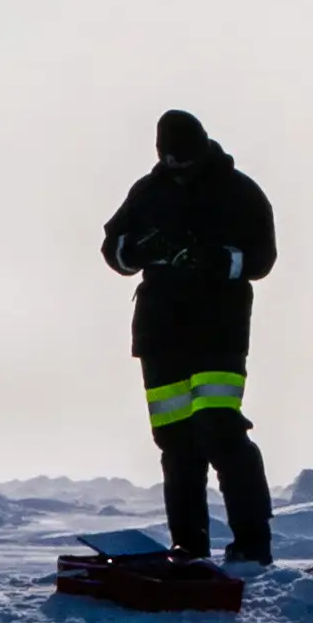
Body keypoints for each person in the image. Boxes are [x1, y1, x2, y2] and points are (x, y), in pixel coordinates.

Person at [103, 111, 279, 571]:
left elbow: (261, 259)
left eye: (184, 158)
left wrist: (213, 260)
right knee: (176, 442)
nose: (177, 166)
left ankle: (252, 545)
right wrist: (141, 250)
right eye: (169, 158)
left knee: (221, 431)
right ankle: (189, 546)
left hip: (217, 331)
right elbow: (112, 246)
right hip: (161, 334)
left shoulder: (239, 192)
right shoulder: (147, 191)